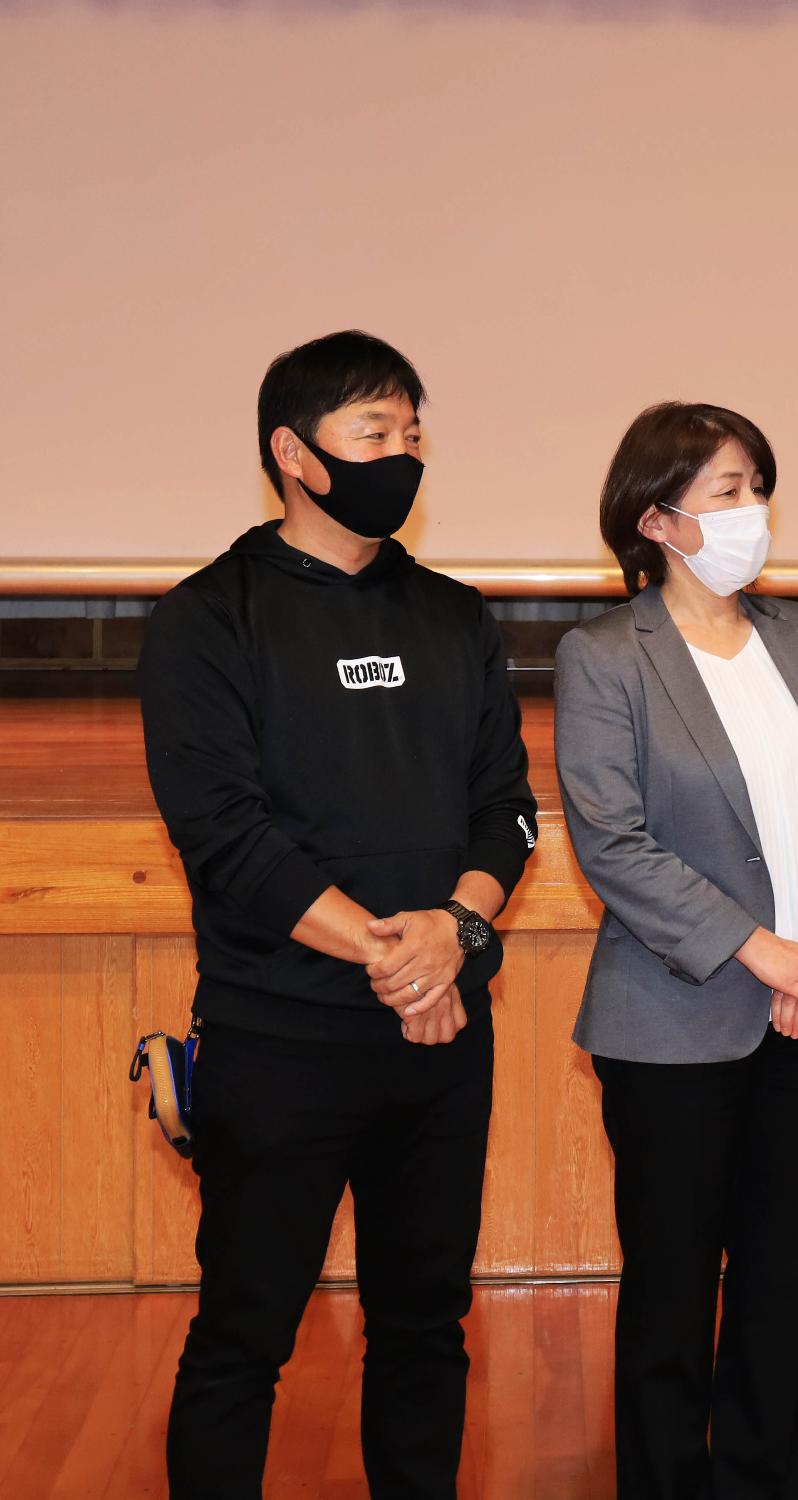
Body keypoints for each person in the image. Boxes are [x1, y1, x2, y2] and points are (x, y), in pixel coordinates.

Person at [140, 330, 538, 1496]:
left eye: (412, 433)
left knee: (426, 1324)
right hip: (280, 1042)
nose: (402, 454)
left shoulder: (455, 617)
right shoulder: (209, 618)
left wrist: (454, 937)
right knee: (245, 1332)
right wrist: (393, 954)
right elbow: (226, 838)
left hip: (441, 1043)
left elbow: (507, 813)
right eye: (374, 432)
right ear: (294, 453)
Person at [554, 401, 798, 1499]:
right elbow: (613, 843)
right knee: (670, 1296)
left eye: (758, 488)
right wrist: (760, 952)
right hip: (673, 1026)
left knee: (781, 1292)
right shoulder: (605, 657)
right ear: (657, 520)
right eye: (729, 491)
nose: (755, 511)